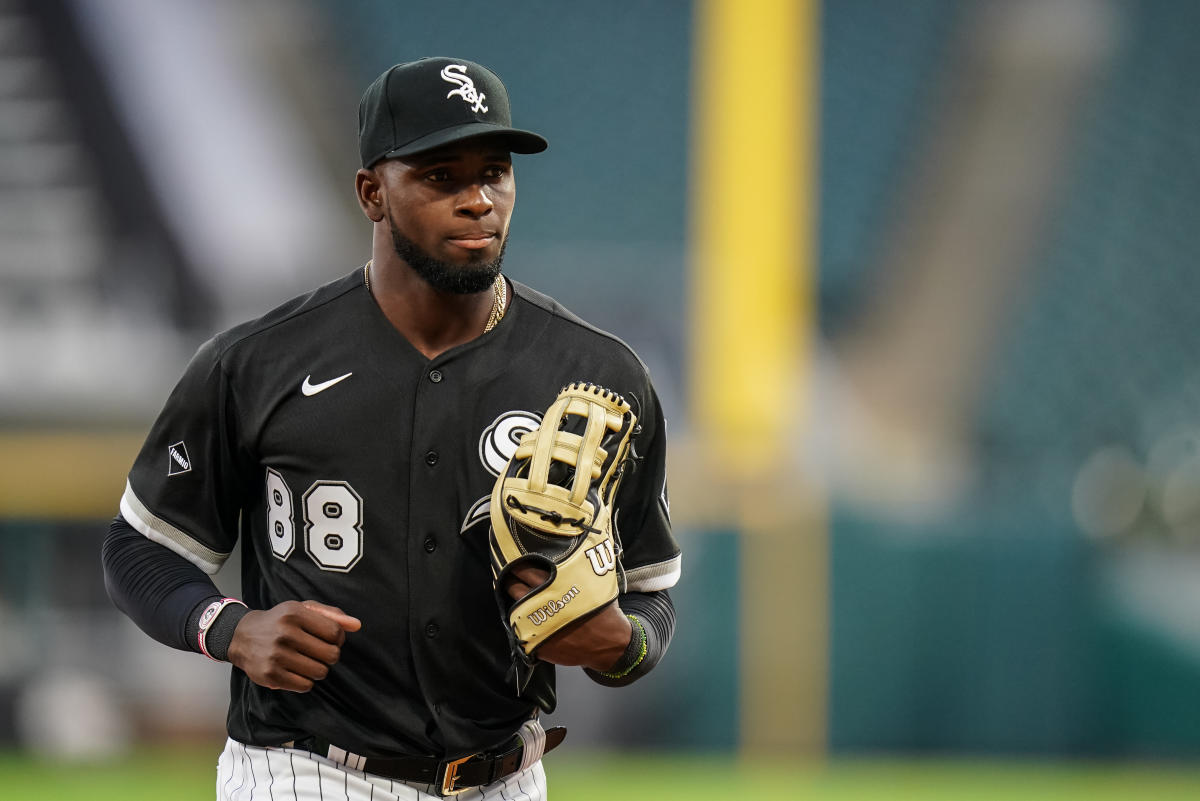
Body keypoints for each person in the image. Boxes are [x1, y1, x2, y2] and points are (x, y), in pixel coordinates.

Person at [101, 57, 681, 800]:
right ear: (372, 193)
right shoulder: (260, 362)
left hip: (506, 776)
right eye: (442, 176)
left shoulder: (597, 375)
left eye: (494, 173)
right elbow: (139, 546)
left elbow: (650, 592)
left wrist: (621, 646)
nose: (479, 200)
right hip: (305, 770)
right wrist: (228, 627)